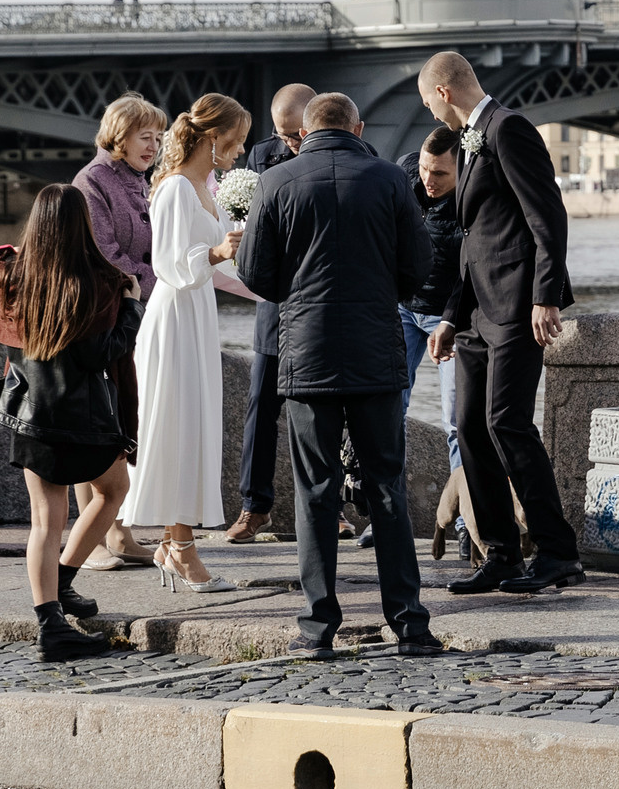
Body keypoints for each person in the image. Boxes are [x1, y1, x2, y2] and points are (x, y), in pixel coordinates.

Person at [235, 91, 443, 658]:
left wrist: (298, 297)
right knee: (387, 486)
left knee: (315, 489)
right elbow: (419, 265)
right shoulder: (389, 180)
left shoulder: (277, 183)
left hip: (307, 354)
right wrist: (381, 295)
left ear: (302, 131)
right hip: (377, 351)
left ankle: (318, 626)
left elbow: (255, 272)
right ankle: (409, 623)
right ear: (358, 126)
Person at [414, 51, 580, 595]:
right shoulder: (469, 139)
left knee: (507, 423)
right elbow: (474, 241)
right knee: (470, 426)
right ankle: (502, 553)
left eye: (428, 104)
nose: (432, 117)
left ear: (443, 92)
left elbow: (546, 214)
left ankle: (558, 552)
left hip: (515, 307)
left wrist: (546, 295)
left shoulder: (508, 129)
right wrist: (448, 318)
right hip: (474, 315)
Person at [0, 185, 141, 663]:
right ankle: (66, 579)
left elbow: (0, 336)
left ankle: (51, 620)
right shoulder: (97, 281)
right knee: (114, 491)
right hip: (84, 419)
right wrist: (132, 306)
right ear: (82, 225)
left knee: (45, 522)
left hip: (31, 417)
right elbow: (100, 354)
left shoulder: (8, 278)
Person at [118, 92, 249, 594]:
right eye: (234, 143)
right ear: (213, 139)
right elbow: (167, 264)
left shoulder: (205, 186)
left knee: (192, 425)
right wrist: (215, 251)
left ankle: (176, 545)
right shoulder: (174, 188)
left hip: (195, 314)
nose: (238, 152)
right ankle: (181, 548)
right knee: (176, 426)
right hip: (173, 317)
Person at [72, 91, 165, 569]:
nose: (153, 145)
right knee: (97, 419)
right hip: (103, 314)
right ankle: (89, 540)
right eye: (144, 137)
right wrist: (160, 278)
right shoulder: (92, 182)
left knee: (121, 413)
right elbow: (106, 253)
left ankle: (119, 533)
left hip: (131, 312)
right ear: (118, 137)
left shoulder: (139, 179)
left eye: (157, 137)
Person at [227, 82, 315, 544]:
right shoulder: (261, 156)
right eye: (282, 135)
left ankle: (328, 508)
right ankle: (253, 507)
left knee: (323, 411)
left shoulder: (347, 148)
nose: (289, 144)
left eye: (296, 134)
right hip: (275, 303)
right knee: (261, 405)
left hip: (319, 302)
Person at [396, 128, 476, 558]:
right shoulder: (406, 174)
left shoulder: (471, 200)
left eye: (440, 174)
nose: (429, 179)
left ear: (460, 170)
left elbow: (472, 271)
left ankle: (466, 522)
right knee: (389, 408)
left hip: (451, 315)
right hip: (402, 309)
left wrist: (450, 320)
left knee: (456, 420)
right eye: (426, 169)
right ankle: (389, 518)